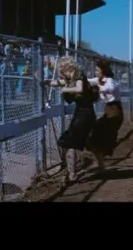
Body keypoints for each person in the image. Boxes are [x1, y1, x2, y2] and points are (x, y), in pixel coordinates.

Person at [44, 56, 97, 184]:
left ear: (67, 68)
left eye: (62, 71)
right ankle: (73, 172)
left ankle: (72, 174)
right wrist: (46, 82)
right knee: (72, 143)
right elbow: (59, 83)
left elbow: (78, 88)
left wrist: (65, 90)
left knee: (70, 142)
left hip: (85, 113)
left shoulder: (79, 74)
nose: (62, 75)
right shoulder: (71, 78)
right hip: (81, 113)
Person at [85, 60, 123, 171]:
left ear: (103, 71)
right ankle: (101, 163)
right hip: (108, 111)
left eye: (97, 70)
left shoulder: (109, 81)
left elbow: (110, 88)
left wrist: (98, 88)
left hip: (115, 112)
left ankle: (101, 162)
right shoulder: (99, 80)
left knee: (98, 135)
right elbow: (86, 81)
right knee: (93, 135)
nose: (95, 72)